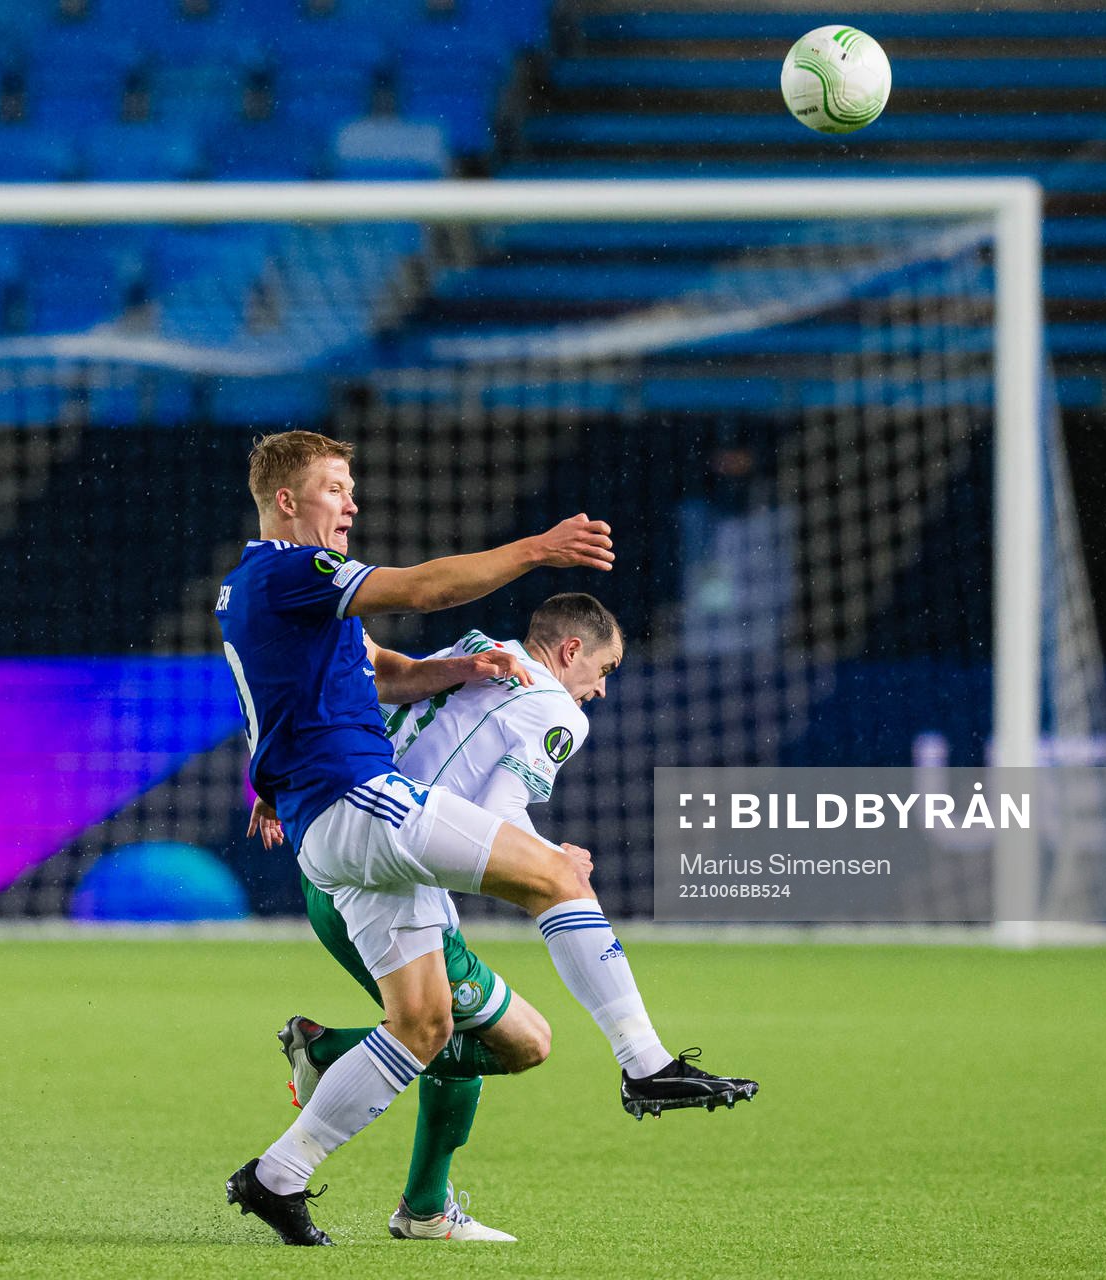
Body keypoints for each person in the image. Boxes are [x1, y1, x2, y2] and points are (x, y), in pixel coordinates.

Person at [216, 430, 756, 1246]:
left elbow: (368, 672)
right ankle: (646, 1066)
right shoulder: (295, 568)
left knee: (425, 1028)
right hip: (364, 802)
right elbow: (427, 589)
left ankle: (276, 1176)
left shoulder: (258, 590)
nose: (351, 502)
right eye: (335, 487)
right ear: (287, 500)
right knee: (562, 879)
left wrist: (453, 673)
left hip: (328, 829)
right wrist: (538, 549)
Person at [258, 593, 630, 1243]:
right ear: (570, 651)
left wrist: (276, 785)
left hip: (338, 854)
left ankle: (422, 1205)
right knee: (517, 1041)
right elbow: (498, 810)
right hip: (384, 884)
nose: (599, 689)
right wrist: (548, 863)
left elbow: (358, 698)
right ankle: (331, 1075)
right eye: (604, 669)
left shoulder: (465, 657)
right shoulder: (545, 706)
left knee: (439, 1030)